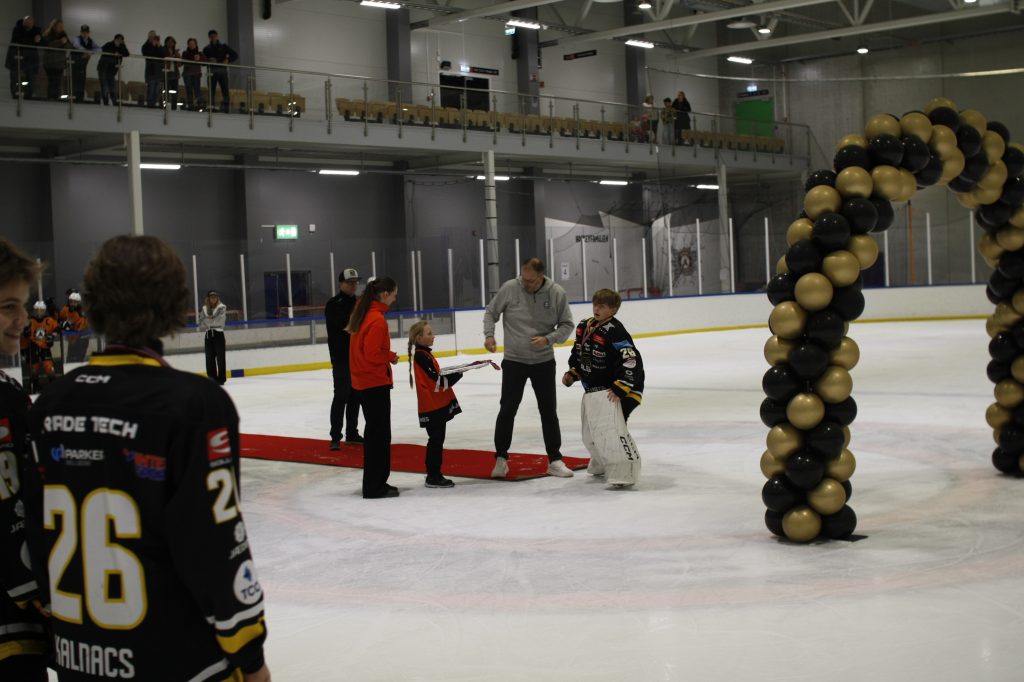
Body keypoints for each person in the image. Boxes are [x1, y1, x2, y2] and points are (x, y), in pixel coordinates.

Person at [23, 235, 271, 682]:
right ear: (174, 305)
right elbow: (214, 544)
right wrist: (249, 654)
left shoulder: (49, 405)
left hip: (80, 657)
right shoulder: (194, 405)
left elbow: (36, 539)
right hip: (179, 661)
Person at [0, 240, 47, 681]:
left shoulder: (9, 391)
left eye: (24, 305)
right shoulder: (6, 400)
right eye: (7, 307)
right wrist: (36, 587)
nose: (22, 319)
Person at [483, 257, 575, 479]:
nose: (526, 284)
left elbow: (567, 324)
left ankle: (555, 460)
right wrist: (489, 335)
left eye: (531, 281)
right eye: (523, 279)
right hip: (514, 361)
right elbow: (491, 312)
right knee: (507, 410)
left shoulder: (556, 293)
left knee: (548, 411)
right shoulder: (510, 288)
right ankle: (501, 459)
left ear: (541, 276)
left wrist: (548, 339)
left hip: (543, 362)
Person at [562, 288, 644, 487]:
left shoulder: (616, 331)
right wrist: (574, 372)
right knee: (589, 434)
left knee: (611, 431)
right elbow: (580, 354)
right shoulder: (584, 326)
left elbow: (630, 359)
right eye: (595, 305)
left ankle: (625, 472)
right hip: (595, 391)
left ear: (613, 310)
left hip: (619, 390)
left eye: (602, 306)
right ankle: (600, 463)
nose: (597, 309)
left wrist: (621, 387)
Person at [347, 276, 399, 499]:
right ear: (384, 294)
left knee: (374, 435)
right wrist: (390, 356)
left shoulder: (362, 313)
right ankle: (375, 486)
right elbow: (372, 353)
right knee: (379, 436)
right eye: (394, 295)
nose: (394, 300)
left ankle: (374, 483)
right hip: (374, 383)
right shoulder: (376, 319)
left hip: (363, 382)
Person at [408, 320, 461, 489]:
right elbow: (436, 381)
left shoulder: (424, 355)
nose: (433, 336)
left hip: (433, 403)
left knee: (437, 439)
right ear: (419, 338)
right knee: (436, 439)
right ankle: (433, 476)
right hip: (431, 405)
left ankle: (434, 473)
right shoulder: (421, 356)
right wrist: (457, 375)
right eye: (429, 333)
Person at [325, 268, 363, 449]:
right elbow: (347, 325)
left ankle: (352, 433)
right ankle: (335, 436)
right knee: (341, 395)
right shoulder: (333, 304)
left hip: (356, 356)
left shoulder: (358, 303)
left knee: (355, 395)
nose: (353, 285)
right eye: (349, 282)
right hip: (341, 357)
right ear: (341, 284)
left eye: (355, 282)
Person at [5, 16, 42, 99]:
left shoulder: (37, 31)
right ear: (24, 22)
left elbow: (42, 42)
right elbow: (20, 40)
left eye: (31, 23)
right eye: (27, 23)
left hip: (30, 58)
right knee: (14, 77)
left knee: (30, 77)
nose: (29, 24)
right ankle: (15, 94)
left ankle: (29, 95)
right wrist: (33, 39)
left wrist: (38, 39)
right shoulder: (17, 29)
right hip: (16, 56)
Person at [24, 300, 58, 389]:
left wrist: (52, 335)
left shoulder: (49, 320)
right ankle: (35, 386)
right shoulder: (30, 321)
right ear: (34, 310)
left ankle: (54, 386)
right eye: (37, 310)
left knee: (49, 368)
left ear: (45, 310)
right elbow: (25, 334)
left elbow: (57, 328)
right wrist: (26, 332)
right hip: (33, 347)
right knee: (34, 370)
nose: (39, 312)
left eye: (41, 310)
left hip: (45, 347)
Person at [203, 30, 238, 112]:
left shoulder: (224, 47)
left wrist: (227, 60)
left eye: (214, 36)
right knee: (211, 91)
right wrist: (209, 60)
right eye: (211, 37)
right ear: (209, 38)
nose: (213, 38)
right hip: (212, 71)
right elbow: (203, 60)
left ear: (217, 36)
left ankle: (226, 109)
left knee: (225, 90)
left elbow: (235, 55)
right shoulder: (206, 49)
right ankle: (211, 108)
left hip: (222, 71)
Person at [198, 289, 227, 385]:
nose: (213, 299)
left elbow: (220, 322)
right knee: (209, 358)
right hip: (208, 335)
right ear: (208, 299)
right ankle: (211, 378)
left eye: (215, 297)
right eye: (211, 297)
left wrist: (208, 321)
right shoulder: (204, 309)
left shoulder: (222, 307)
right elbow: (201, 323)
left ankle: (221, 379)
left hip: (218, 334)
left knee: (220, 357)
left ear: (217, 298)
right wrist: (211, 321)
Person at [42, 19, 70, 101]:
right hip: (50, 63)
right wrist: (60, 42)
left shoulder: (64, 35)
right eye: (59, 26)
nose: (61, 28)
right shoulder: (48, 35)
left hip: (60, 63)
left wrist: (64, 42)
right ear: (54, 27)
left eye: (62, 26)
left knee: (57, 82)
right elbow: (48, 45)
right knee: (52, 81)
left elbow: (69, 46)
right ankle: (51, 98)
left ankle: (56, 98)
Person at [96, 33, 128, 105]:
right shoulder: (109, 44)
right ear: (114, 39)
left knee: (112, 85)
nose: (119, 41)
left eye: (121, 40)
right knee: (104, 85)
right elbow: (102, 49)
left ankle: (114, 102)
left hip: (112, 70)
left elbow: (127, 54)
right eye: (118, 39)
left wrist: (123, 46)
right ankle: (106, 102)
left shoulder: (122, 47)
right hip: (103, 68)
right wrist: (113, 53)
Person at [70, 24, 99, 103]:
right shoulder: (77, 39)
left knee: (82, 80)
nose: (85, 34)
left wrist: (90, 53)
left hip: (83, 64)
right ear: (80, 32)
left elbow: (99, 49)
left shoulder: (90, 41)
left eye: (86, 32)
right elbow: (76, 45)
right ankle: (74, 98)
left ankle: (80, 99)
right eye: (83, 32)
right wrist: (86, 51)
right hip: (74, 63)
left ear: (89, 33)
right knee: (75, 80)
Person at [181, 37, 204, 110]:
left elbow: (204, 61)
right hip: (188, 74)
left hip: (196, 74)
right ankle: (191, 105)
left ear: (195, 44)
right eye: (190, 44)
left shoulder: (200, 54)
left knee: (197, 90)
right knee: (189, 90)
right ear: (188, 45)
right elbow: (184, 60)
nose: (191, 45)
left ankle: (199, 105)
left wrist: (199, 58)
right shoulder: (185, 53)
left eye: (193, 44)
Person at [141, 30, 163, 107]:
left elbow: (163, 54)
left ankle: (153, 103)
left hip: (158, 71)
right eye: (151, 36)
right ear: (148, 37)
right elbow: (146, 54)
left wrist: (159, 46)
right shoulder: (145, 46)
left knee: (157, 89)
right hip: (150, 70)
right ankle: (150, 104)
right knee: (151, 88)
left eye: (154, 36)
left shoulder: (158, 46)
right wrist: (153, 45)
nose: (153, 38)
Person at [163, 36, 181, 109]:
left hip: (175, 74)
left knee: (175, 92)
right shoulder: (163, 50)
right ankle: (165, 106)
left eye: (172, 42)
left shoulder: (176, 52)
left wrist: (178, 56)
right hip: (166, 74)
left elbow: (179, 64)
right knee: (166, 91)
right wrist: (173, 56)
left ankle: (174, 107)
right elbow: (164, 60)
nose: (170, 43)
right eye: (169, 42)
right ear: (166, 43)